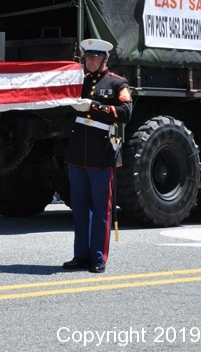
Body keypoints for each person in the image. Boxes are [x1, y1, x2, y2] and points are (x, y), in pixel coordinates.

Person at [63, 38, 132, 274]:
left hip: (101, 154)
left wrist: (93, 107)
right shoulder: (79, 82)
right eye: (87, 57)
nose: (90, 61)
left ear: (105, 59)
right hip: (77, 154)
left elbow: (125, 112)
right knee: (79, 207)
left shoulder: (117, 83)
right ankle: (80, 255)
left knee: (101, 208)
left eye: (95, 57)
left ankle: (98, 257)